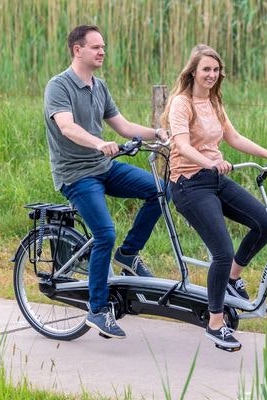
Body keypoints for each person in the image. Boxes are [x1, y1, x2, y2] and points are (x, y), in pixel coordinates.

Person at [43, 25, 168, 339]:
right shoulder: (58, 86)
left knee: (160, 191)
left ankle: (127, 255)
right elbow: (67, 127)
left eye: (103, 47)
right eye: (96, 47)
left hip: (104, 167)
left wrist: (158, 134)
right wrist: (99, 143)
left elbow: (123, 126)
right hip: (76, 175)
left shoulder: (100, 86)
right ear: (77, 50)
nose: (102, 52)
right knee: (104, 233)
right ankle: (97, 310)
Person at [161, 44, 267, 350]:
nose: (211, 75)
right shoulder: (180, 104)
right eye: (206, 70)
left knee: (264, 223)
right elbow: (183, 146)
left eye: (216, 70)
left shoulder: (213, 102)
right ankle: (215, 323)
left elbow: (234, 137)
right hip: (189, 184)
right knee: (222, 250)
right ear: (193, 72)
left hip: (214, 178)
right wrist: (209, 161)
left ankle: (232, 278)